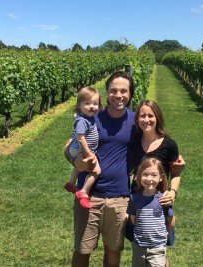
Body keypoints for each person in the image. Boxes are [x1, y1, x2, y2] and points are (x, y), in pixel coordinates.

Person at [65, 71, 185, 267]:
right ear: (107, 93)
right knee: (82, 250)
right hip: (88, 195)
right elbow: (69, 146)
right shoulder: (93, 116)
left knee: (113, 252)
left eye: (123, 91)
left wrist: (176, 167)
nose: (118, 95)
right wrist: (75, 161)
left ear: (130, 94)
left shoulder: (135, 123)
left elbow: (154, 143)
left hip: (120, 197)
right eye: (113, 91)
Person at [127, 158, 175, 267]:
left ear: (161, 177)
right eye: (145, 174)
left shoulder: (164, 199)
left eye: (154, 175)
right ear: (138, 177)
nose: (149, 178)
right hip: (138, 246)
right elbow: (133, 220)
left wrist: (162, 235)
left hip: (157, 247)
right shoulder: (134, 198)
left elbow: (171, 221)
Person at [64, 86, 102, 209]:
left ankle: (70, 183)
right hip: (81, 149)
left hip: (78, 149)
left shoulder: (88, 118)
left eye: (95, 103)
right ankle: (84, 192)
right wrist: (88, 153)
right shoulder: (83, 121)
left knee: (79, 168)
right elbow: (80, 137)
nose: (92, 106)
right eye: (87, 103)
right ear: (79, 105)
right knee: (96, 171)